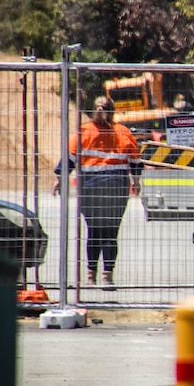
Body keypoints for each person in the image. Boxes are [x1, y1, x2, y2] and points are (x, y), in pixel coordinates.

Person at [53, 96, 142, 288]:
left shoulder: (83, 132)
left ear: (95, 109)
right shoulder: (123, 132)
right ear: (113, 111)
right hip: (116, 188)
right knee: (111, 232)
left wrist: (59, 180)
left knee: (94, 231)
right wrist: (136, 182)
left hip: (89, 188)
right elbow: (135, 161)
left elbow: (68, 160)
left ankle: (90, 275)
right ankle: (107, 278)